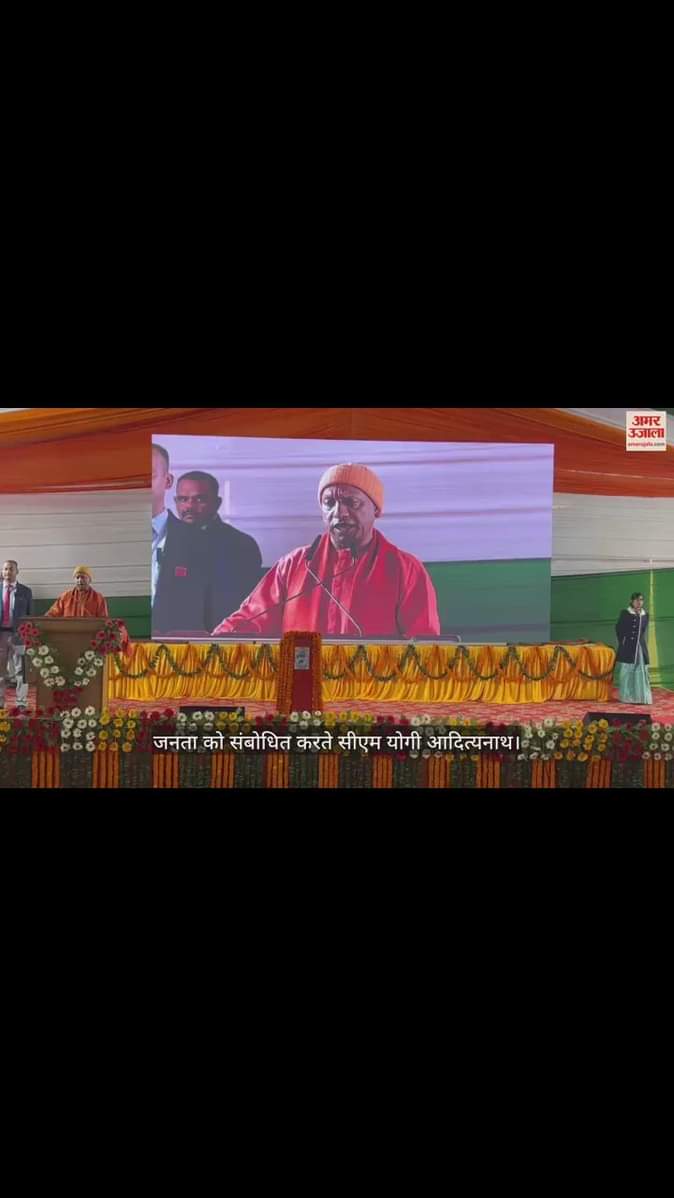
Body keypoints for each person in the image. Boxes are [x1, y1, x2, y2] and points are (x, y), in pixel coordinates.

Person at [212, 463, 441, 638]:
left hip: (372, 686)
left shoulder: (405, 569)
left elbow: (425, 647)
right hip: (302, 683)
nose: (339, 513)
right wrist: (207, 647)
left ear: (376, 509)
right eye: (329, 503)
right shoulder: (294, 565)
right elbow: (248, 621)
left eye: (352, 502)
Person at [151, 449, 263, 636]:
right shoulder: (164, 537)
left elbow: (242, 608)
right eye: (183, 499)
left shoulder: (241, 545)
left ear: (217, 503)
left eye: (199, 499)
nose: (189, 506)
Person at [0, 560, 32, 710]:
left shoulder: (26, 591)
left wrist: (28, 636)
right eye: (5, 569)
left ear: (17, 571)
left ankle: (21, 702)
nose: (7, 572)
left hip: (19, 636)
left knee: (21, 671)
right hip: (1, 635)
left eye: (11, 569)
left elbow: (30, 616)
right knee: (1, 670)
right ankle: (0, 702)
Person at [614, 591, 652, 704]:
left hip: (640, 648)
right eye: (636, 600)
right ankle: (626, 697)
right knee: (627, 671)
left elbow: (642, 631)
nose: (639, 602)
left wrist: (640, 642)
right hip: (628, 647)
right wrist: (624, 642)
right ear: (632, 601)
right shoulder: (625, 613)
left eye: (641, 600)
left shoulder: (645, 615)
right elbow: (618, 628)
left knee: (641, 671)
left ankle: (641, 697)